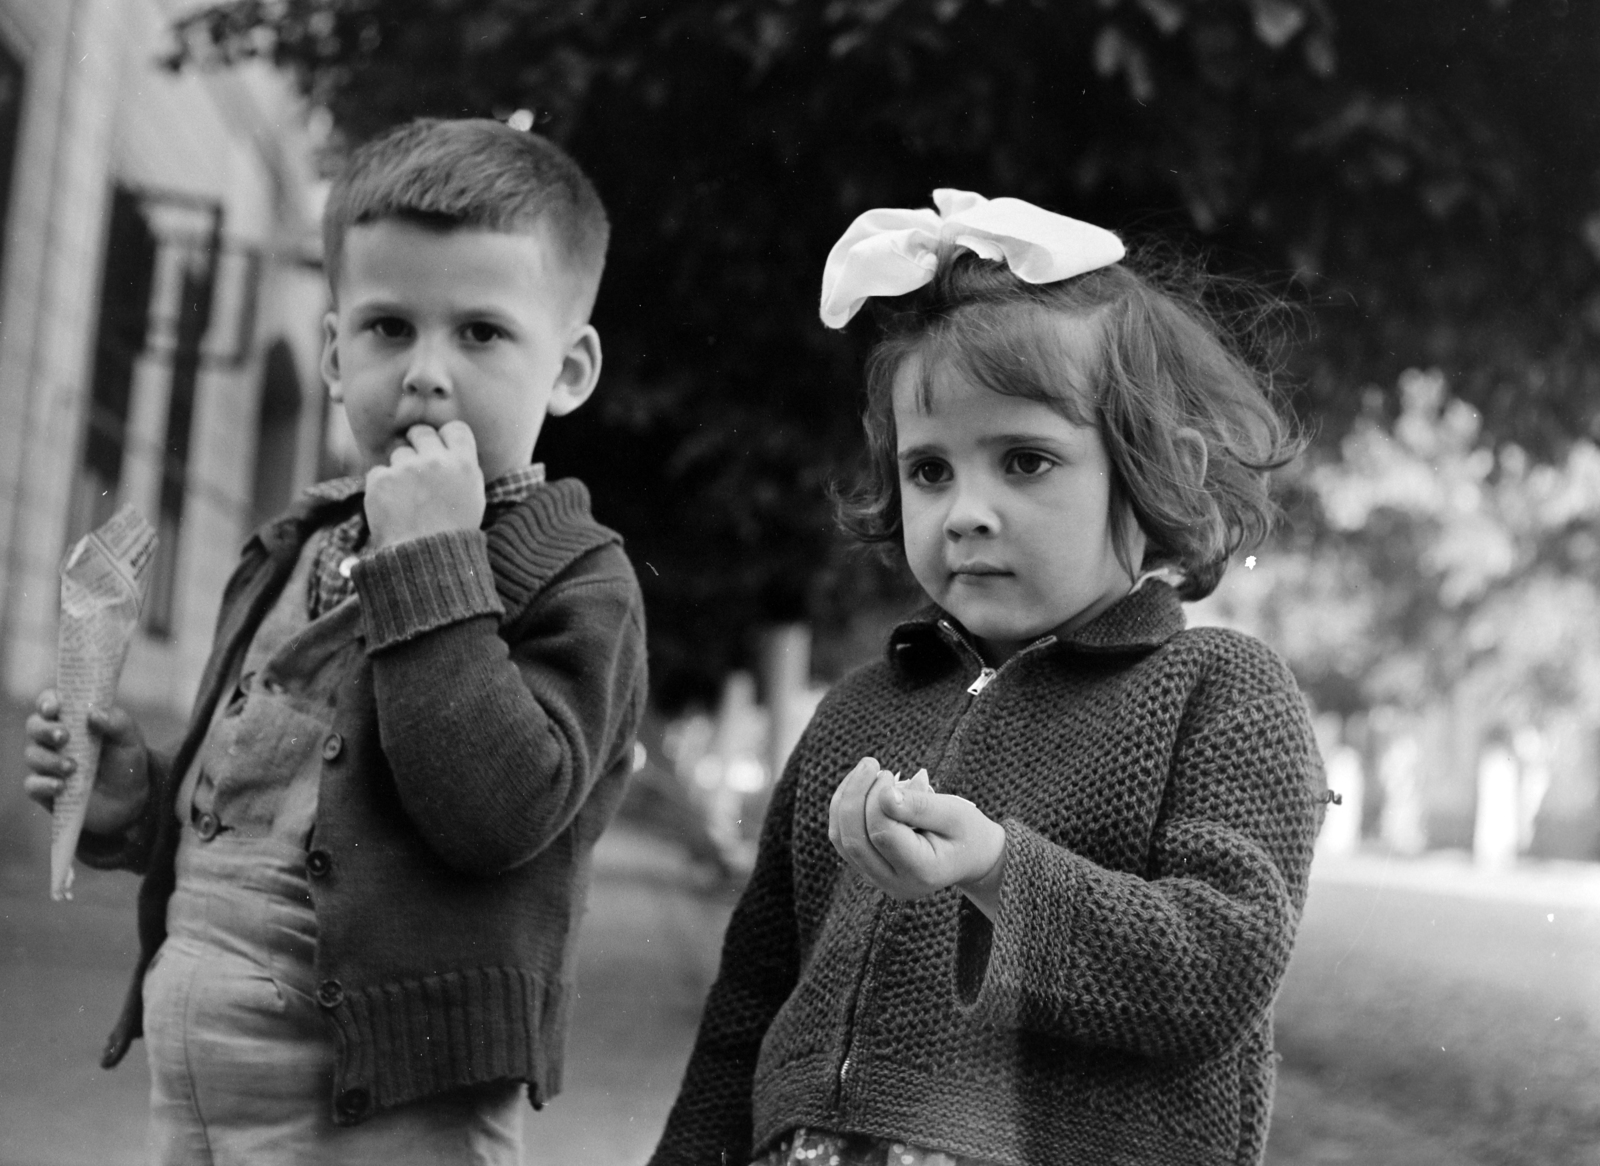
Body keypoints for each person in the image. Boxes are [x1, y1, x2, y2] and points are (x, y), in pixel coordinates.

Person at [649, 191, 1325, 1166]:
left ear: (1152, 471)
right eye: (929, 471)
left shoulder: (1219, 692)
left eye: (1024, 459)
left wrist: (995, 872)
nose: (966, 510)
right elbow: (750, 998)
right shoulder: (856, 711)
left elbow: (1218, 967)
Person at [23, 118, 648, 1164]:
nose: (426, 373)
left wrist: (432, 567)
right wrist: (145, 804)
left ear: (570, 368)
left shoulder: (576, 576)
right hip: (203, 1065)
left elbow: (497, 814)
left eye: (483, 333)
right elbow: (285, 791)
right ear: (331, 351)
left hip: (392, 1094)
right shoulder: (294, 542)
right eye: (388, 328)